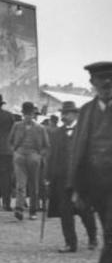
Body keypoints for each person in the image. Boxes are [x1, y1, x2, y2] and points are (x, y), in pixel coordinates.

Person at [68, 61, 112, 263]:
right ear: (92, 84)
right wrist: (75, 188)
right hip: (94, 184)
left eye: (111, 82)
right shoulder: (86, 111)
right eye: (101, 82)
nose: (107, 86)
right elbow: (77, 151)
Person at [47, 101, 97, 253]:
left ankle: (92, 237)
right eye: (63, 113)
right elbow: (52, 156)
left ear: (75, 115)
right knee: (65, 211)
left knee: (84, 210)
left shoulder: (85, 132)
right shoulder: (56, 133)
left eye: (67, 113)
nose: (64, 116)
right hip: (62, 178)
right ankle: (70, 243)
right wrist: (48, 176)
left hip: (81, 179)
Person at [9, 101, 50, 221]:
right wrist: (15, 153)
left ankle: (33, 210)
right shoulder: (16, 126)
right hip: (20, 156)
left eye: (30, 114)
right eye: (26, 114)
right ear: (23, 114)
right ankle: (19, 208)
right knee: (20, 184)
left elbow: (46, 145)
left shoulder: (40, 128)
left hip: (34, 157)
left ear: (34, 114)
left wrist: (39, 156)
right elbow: (10, 141)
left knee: (34, 185)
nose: (28, 116)